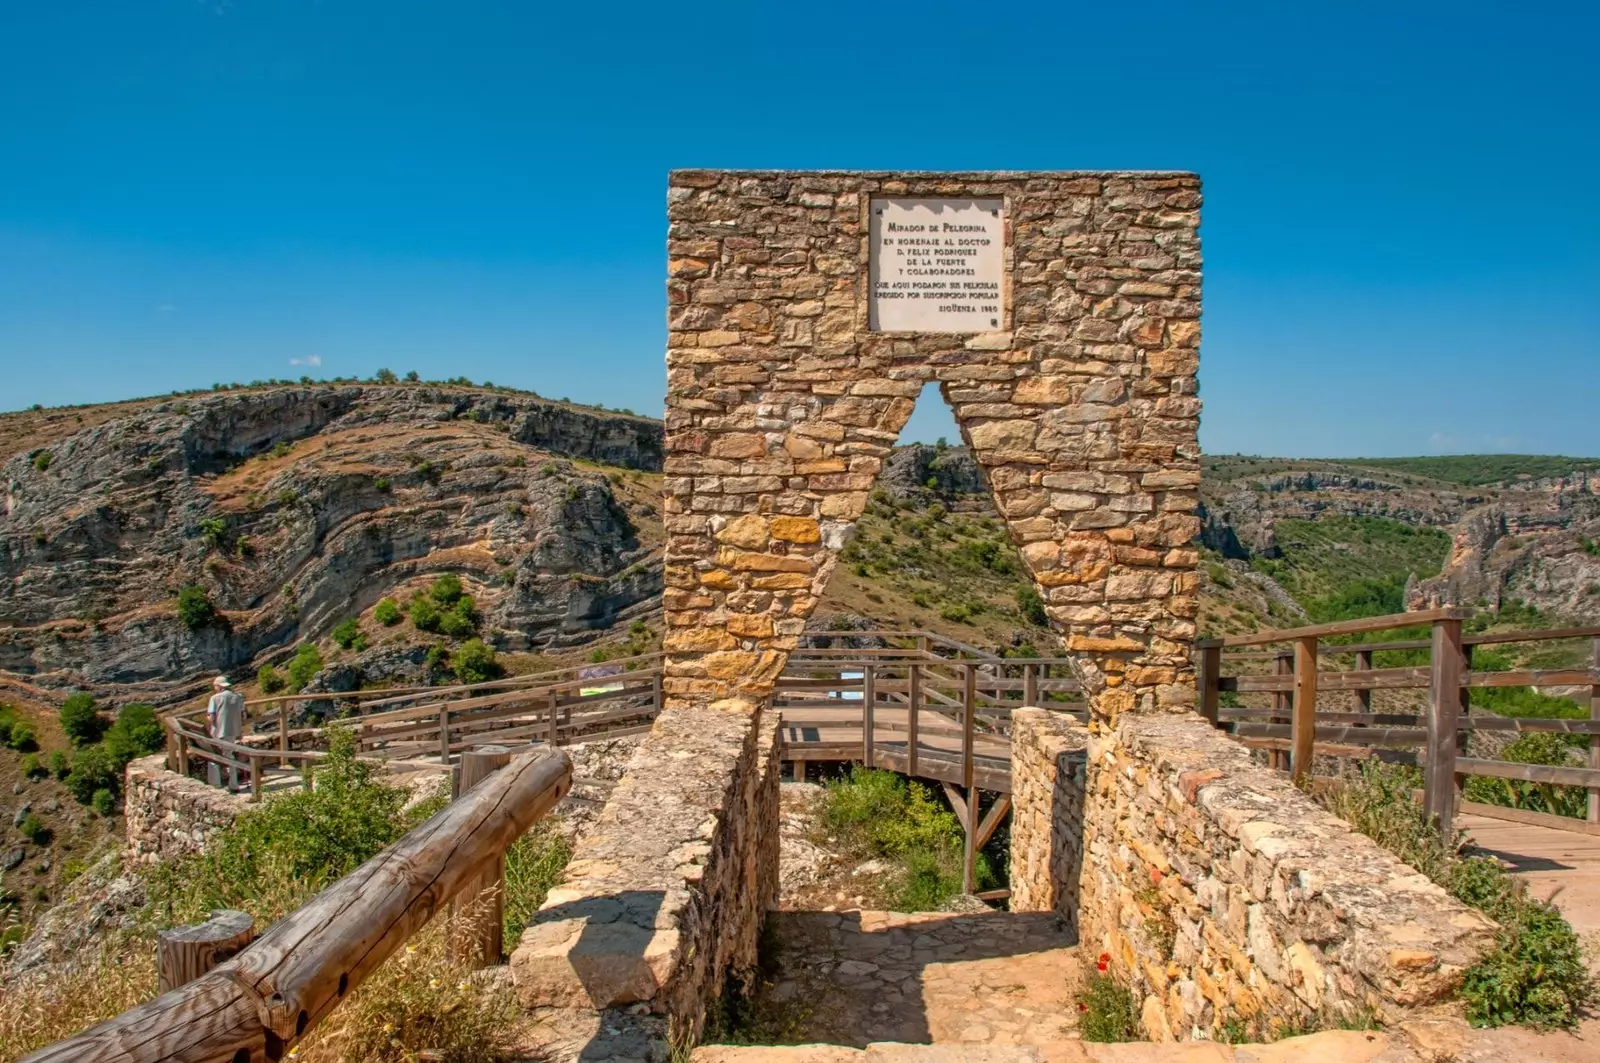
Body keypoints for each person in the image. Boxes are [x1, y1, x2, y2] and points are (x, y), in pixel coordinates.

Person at [205, 675, 246, 791]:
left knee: (213, 757)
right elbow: (243, 714)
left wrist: (207, 718)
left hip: (218, 732)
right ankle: (233, 784)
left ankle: (215, 785)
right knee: (230, 757)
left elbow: (212, 718)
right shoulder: (238, 697)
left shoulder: (215, 698)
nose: (214, 688)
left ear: (219, 686)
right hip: (232, 731)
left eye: (215, 686)